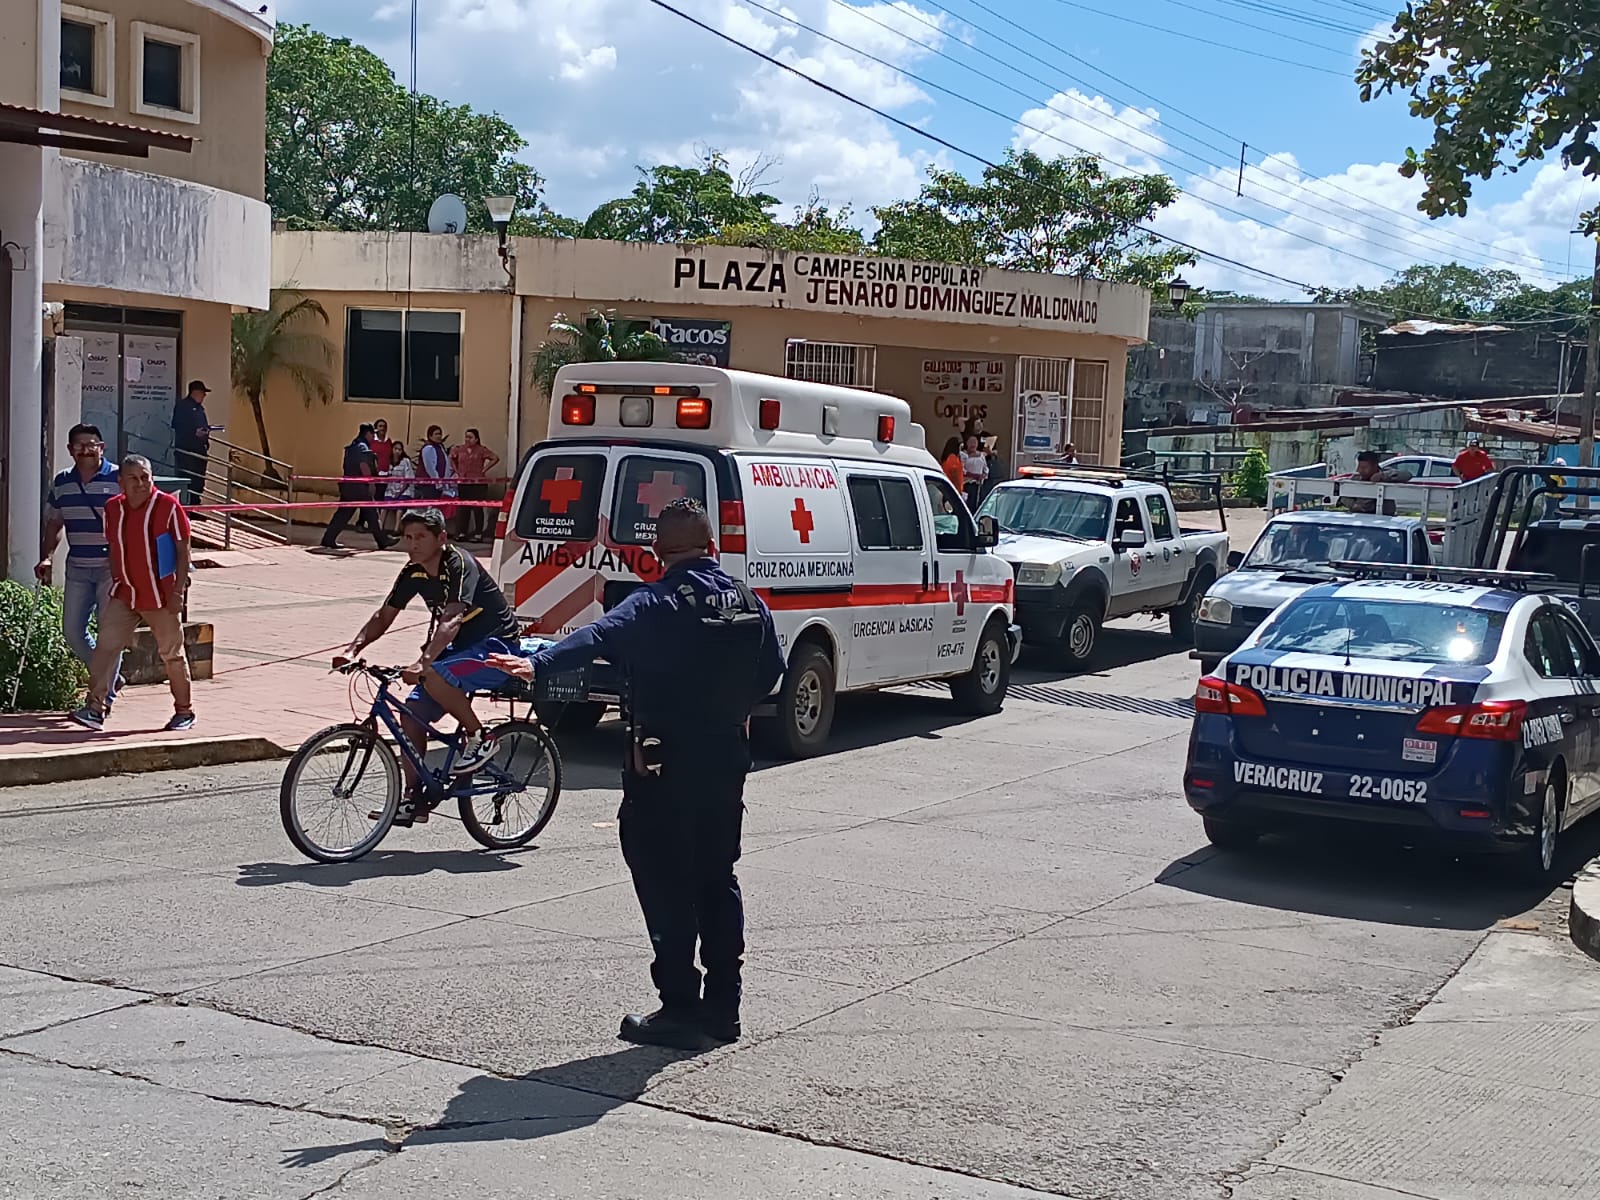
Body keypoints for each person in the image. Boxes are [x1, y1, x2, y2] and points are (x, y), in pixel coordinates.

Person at [488, 499, 785, 1051]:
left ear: (655, 555)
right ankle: (724, 1008)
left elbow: (597, 637)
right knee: (718, 879)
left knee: (665, 881)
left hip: (663, 767)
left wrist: (538, 663)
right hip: (725, 764)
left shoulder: (656, 602)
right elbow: (771, 674)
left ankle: (678, 1007)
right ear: (712, 547)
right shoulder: (749, 602)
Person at [339, 508, 524, 823]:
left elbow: (452, 617)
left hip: (497, 647)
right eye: (408, 537)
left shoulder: (459, 564)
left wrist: (424, 662)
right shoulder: (414, 572)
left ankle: (481, 737)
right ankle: (414, 799)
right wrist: (353, 648)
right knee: (411, 715)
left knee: (435, 673)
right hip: (460, 650)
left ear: (441, 538)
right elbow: (386, 614)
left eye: (421, 537)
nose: (413, 544)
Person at [70, 455, 194, 732]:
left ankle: (184, 711)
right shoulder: (113, 508)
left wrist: (178, 592)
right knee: (106, 646)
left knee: (171, 654)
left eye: (145, 477)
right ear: (121, 482)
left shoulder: (168, 506)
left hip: (160, 595)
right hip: (125, 592)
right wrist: (117, 579)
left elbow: (183, 550)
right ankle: (95, 708)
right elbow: (114, 547)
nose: (140, 484)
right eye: (133, 478)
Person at [37, 424, 124, 710]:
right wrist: (47, 556)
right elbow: (54, 523)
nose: (86, 449)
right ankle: (109, 674)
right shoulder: (62, 482)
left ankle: (104, 697)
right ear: (70, 450)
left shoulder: (119, 478)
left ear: (102, 447)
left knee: (109, 633)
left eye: (92, 444)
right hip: (78, 567)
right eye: (79, 445)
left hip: (111, 568)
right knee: (72, 632)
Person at [322, 424, 395, 551]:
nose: (374, 436)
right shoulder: (363, 447)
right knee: (372, 514)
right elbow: (364, 466)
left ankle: (328, 539)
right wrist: (370, 482)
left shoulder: (352, 447)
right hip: (360, 487)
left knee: (343, 514)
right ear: (367, 434)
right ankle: (382, 541)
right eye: (373, 434)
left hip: (349, 486)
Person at [450, 429, 501, 542]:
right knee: (464, 508)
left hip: (478, 483)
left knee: (477, 508)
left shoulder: (481, 450)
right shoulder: (459, 449)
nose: (467, 439)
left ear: (476, 439)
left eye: (470, 437)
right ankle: (462, 532)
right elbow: (451, 458)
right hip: (463, 482)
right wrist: (457, 471)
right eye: (466, 437)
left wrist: (484, 470)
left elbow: (495, 458)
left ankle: (478, 533)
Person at [171, 380, 213, 503]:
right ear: (195, 392)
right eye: (202, 393)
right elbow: (177, 425)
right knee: (188, 479)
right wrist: (194, 432)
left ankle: (195, 505)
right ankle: (187, 507)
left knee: (199, 480)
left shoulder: (200, 408)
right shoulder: (183, 406)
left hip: (199, 450)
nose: (204, 396)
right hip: (187, 450)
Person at [1342, 450, 1411, 515]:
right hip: (1360, 515)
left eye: (1364, 468)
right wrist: (1354, 505)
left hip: (1384, 518)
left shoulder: (1387, 473)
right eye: (1359, 467)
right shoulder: (1356, 478)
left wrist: (1383, 476)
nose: (1360, 471)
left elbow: (1407, 475)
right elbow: (1344, 496)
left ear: (1375, 466)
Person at [383, 441, 416, 535]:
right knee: (384, 505)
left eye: (399, 449)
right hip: (391, 488)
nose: (397, 451)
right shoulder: (389, 462)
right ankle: (380, 528)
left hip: (405, 489)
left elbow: (408, 479)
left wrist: (399, 492)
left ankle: (396, 529)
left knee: (399, 506)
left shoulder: (405, 461)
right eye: (395, 449)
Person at [417, 425, 449, 503]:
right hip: (429, 484)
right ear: (430, 436)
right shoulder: (428, 448)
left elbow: (446, 464)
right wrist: (437, 482)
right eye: (436, 434)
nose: (439, 436)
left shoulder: (440, 447)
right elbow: (430, 468)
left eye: (440, 434)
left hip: (439, 484)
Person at [960, 434, 988, 507]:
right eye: (971, 442)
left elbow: (985, 468)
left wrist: (983, 475)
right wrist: (974, 475)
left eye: (975, 442)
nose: (973, 444)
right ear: (967, 443)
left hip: (979, 485)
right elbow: (962, 470)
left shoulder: (981, 455)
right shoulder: (964, 455)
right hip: (967, 484)